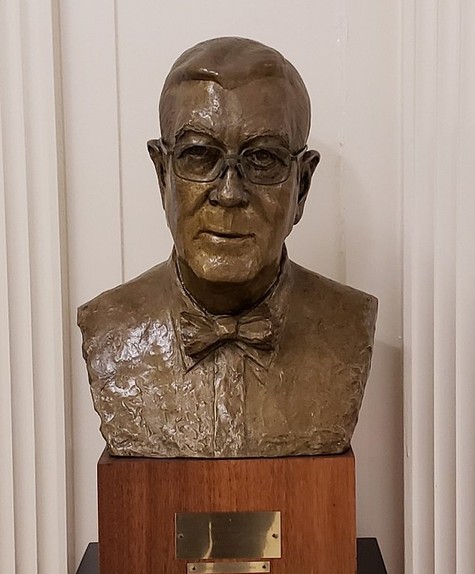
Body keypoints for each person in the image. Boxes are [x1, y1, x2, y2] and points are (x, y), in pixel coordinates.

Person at [78, 37, 377, 458]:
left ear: (303, 185)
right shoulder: (109, 328)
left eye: (263, 159)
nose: (230, 192)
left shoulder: (347, 324)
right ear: (163, 175)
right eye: (199, 155)